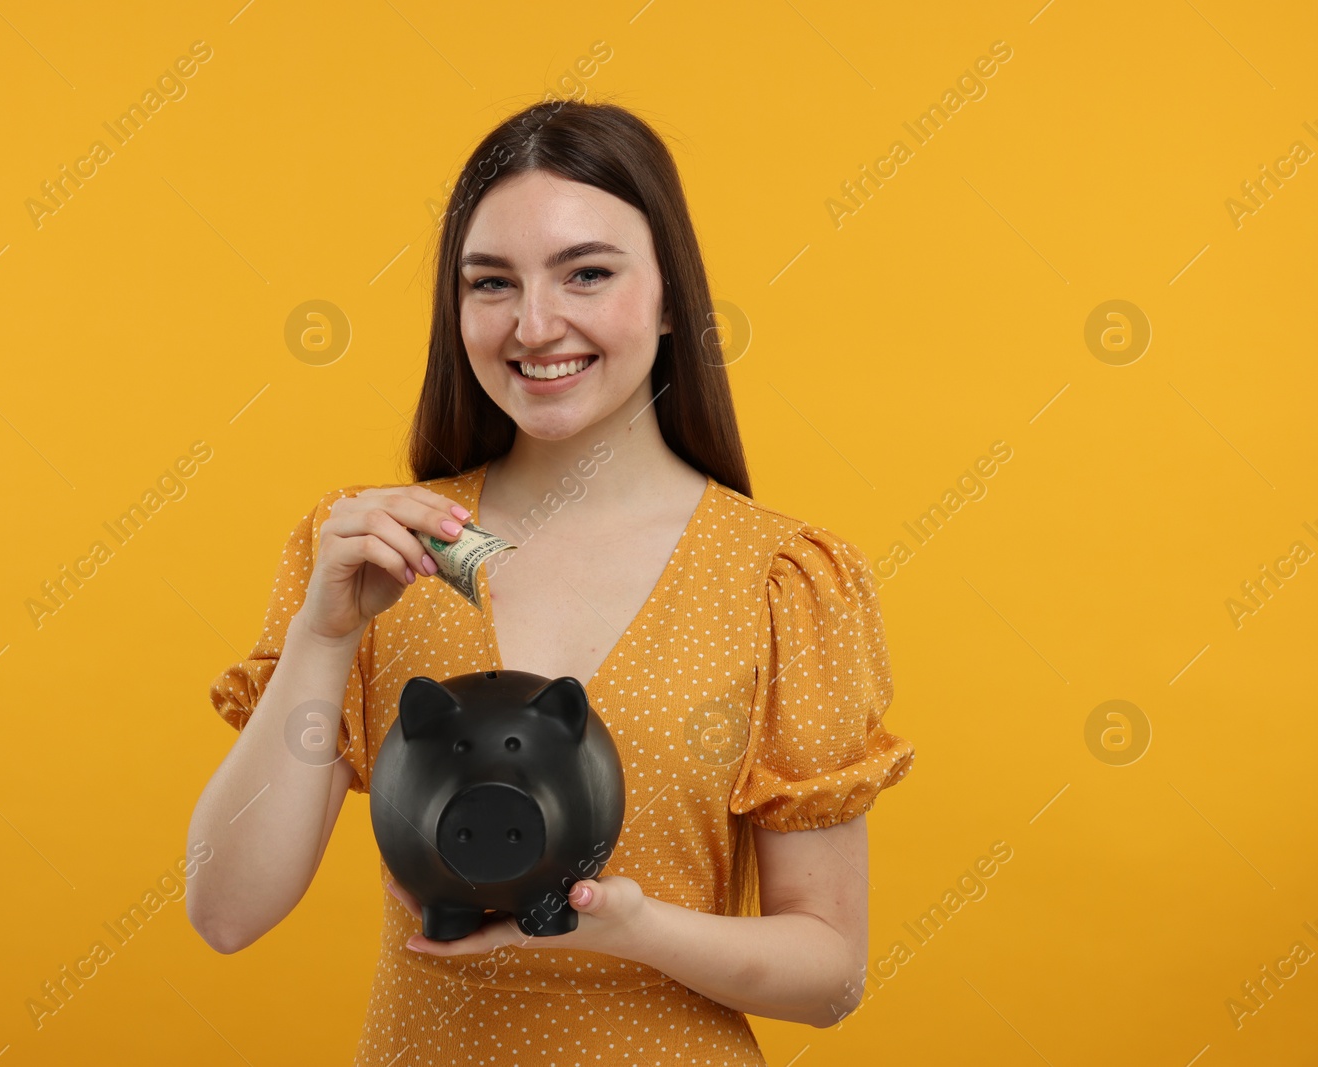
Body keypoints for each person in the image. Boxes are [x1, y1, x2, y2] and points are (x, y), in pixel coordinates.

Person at [186, 97, 917, 1065]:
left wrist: (622, 923)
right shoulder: (376, 553)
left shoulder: (781, 581)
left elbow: (829, 972)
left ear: (666, 299)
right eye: (491, 283)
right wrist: (324, 639)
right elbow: (227, 909)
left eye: (587, 273)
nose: (535, 324)